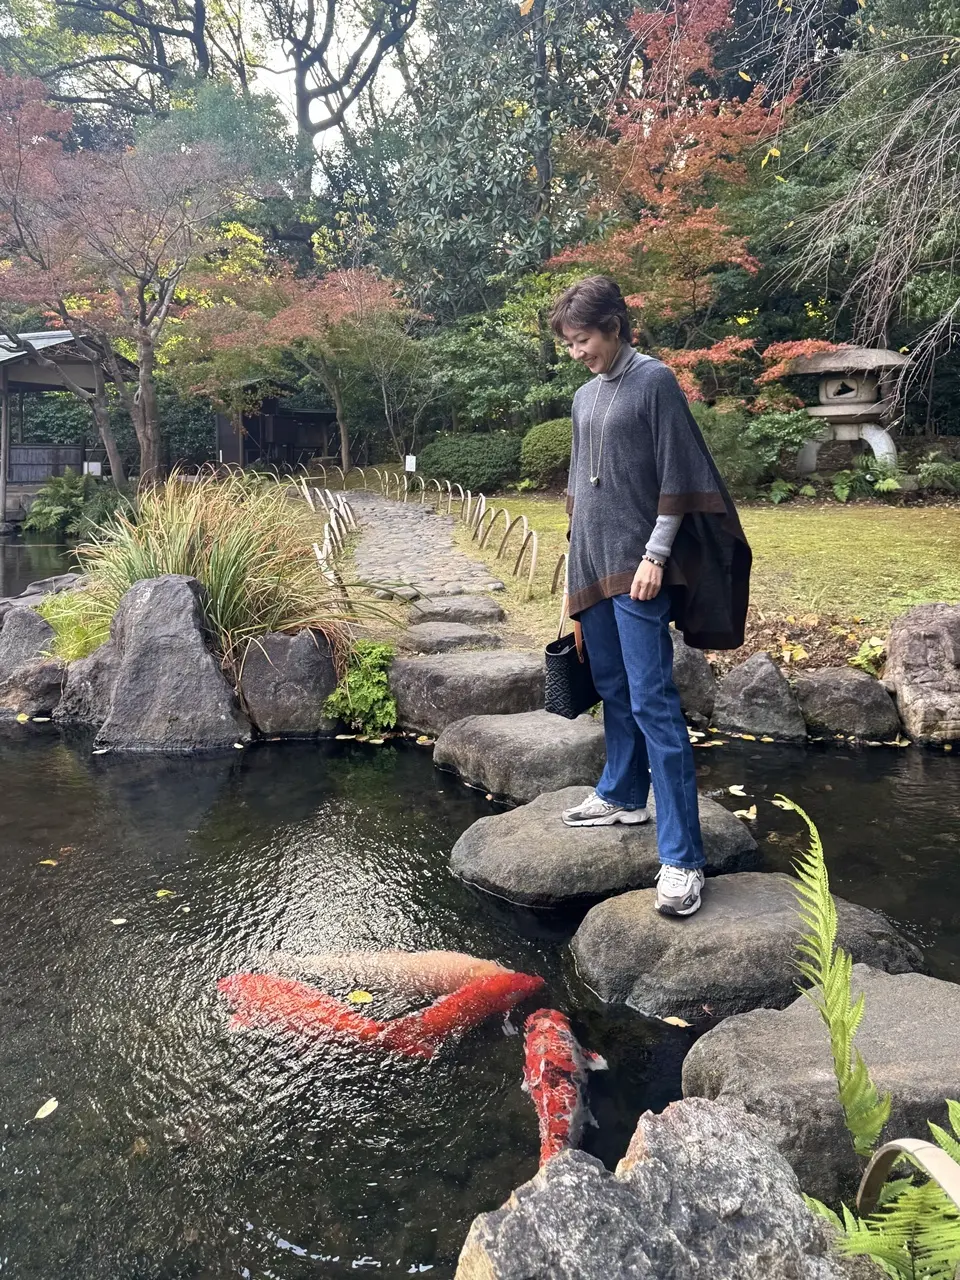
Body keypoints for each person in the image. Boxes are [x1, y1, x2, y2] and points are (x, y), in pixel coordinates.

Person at [551, 275, 751, 918]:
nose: (577, 352)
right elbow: (583, 489)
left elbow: (679, 476)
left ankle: (683, 858)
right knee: (611, 686)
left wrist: (656, 556)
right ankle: (621, 795)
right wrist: (570, 573)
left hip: (640, 569)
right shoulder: (583, 398)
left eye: (583, 340)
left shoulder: (655, 381)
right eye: (570, 344)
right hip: (593, 564)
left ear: (613, 324)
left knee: (654, 701)